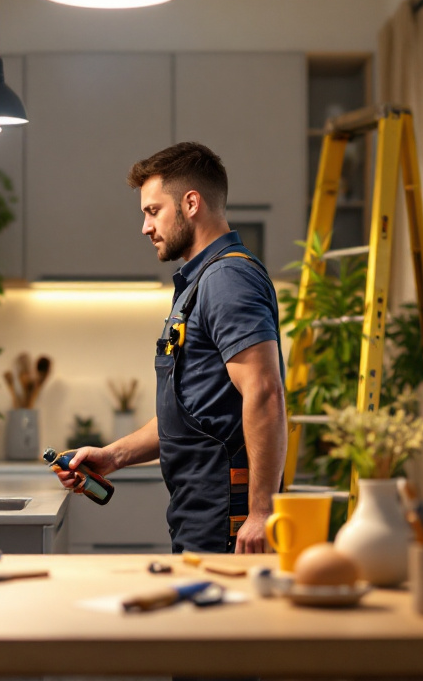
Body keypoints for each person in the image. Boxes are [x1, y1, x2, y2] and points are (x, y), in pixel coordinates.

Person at [54, 142, 287, 554]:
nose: (145, 226)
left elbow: (265, 392)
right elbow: (193, 413)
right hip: (198, 513)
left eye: (152, 210)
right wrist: (113, 456)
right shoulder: (199, 283)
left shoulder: (227, 278)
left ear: (191, 203)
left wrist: (261, 512)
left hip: (227, 518)